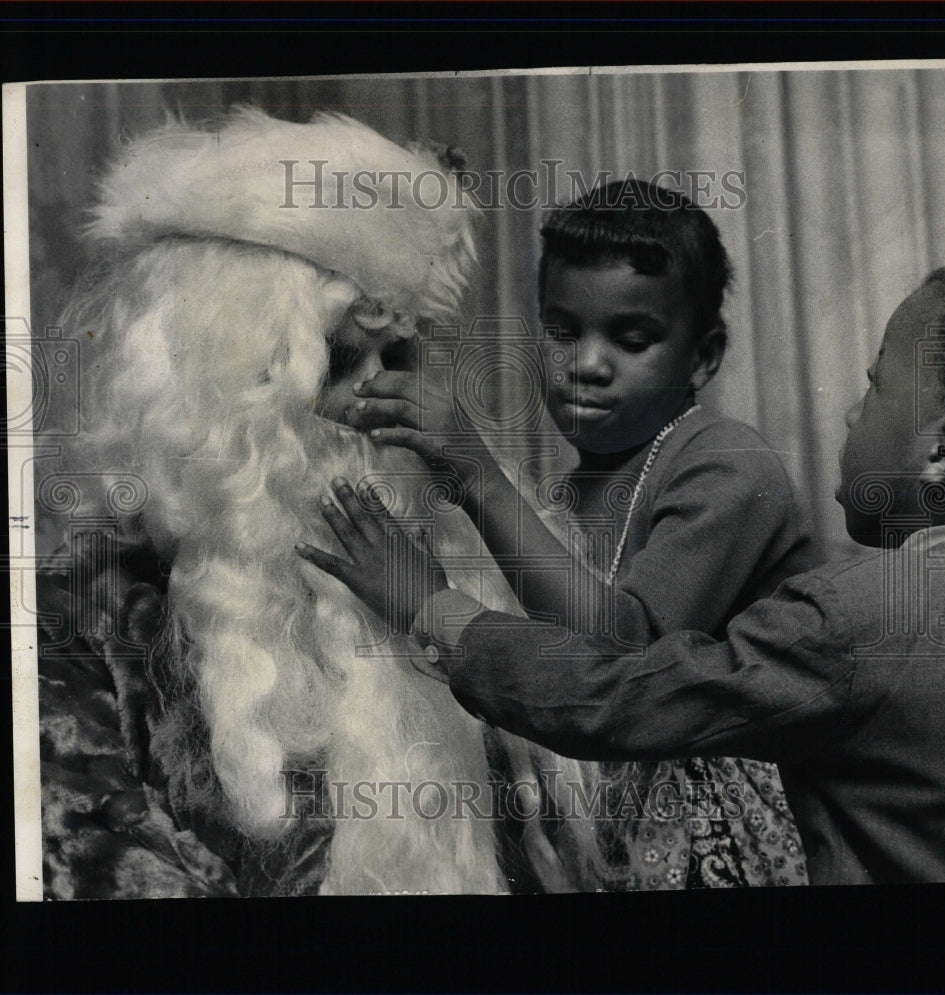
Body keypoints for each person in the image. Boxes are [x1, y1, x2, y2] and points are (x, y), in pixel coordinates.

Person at [34, 106, 601, 897]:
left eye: (397, 356)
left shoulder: (465, 567)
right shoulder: (84, 609)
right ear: (225, 383)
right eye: (337, 360)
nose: (380, 400)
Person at [298, 256, 945, 886]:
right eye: (562, 331)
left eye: (874, 388)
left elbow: (622, 679)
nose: (587, 365)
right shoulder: (588, 481)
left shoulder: (847, 601)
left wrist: (431, 600)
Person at [303, 179, 819, 888]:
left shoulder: (729, 463)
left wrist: (473, 480)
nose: (586, 363)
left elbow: (618, 652)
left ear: (704, 357)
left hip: (717, 839)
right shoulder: (573, 490)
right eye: (562, 330)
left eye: (631, 339)